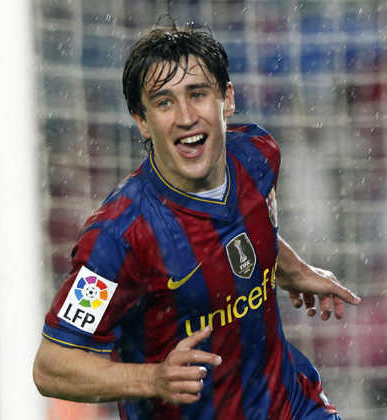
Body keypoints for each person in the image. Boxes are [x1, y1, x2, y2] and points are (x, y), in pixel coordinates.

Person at [33, 15, 361, 420]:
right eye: (164, 102)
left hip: (289, 405)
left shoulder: (258, 155)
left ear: (227, 99)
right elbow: (51, 365)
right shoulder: (118, 237)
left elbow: (249, 224)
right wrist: (152, 380)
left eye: (198, 94)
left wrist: (289, 267)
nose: (186, 117)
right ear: (142, 121)